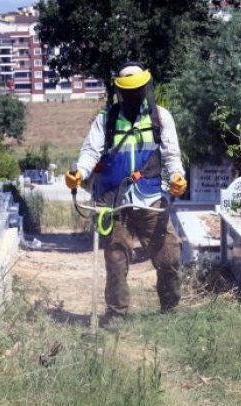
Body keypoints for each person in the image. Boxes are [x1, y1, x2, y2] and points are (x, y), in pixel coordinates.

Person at [64, 61, 187, 327]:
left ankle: (170, 310)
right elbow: (90, 153)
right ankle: (116, 315)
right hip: (113, 200)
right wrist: (80, 174)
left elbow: (172, 156)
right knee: (116, 259)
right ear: (119, 91)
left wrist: (178, 178)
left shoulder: (160, 118)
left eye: (138, 89)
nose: (133, 96)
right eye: (127, 91)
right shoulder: (105, 120)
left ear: (146, 87)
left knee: (169, 256)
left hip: (150, 198)